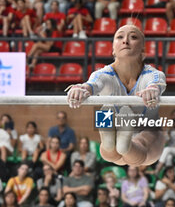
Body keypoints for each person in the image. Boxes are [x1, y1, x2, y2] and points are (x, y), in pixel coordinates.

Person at [66, 25, 167, 166]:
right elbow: (92, 84)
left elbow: (157, 83)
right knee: (129, 153)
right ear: (113, 49)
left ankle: (115, 143)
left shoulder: (152, 75)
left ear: (143, 50)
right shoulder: (103, 75)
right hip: (123, 126)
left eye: (133, 37)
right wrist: (81, 89)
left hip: (146, 128)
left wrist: (153, 90)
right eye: (120, 37)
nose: (125, 41)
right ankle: (118, 143)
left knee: (129, 150)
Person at [154, 109, 175, 175]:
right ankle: (168, 176)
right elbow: (166, 141)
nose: (174, 117)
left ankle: (157, 169)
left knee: (167, 149)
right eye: (173, 115)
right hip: (171, 150)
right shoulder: (169, 128)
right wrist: (168, 133)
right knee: (169, 157)